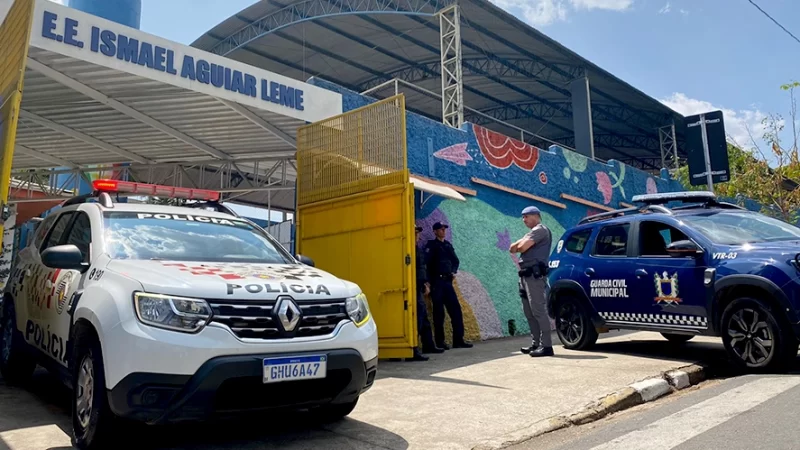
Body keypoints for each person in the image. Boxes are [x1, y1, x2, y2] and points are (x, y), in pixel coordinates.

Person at [509, 206, 554, 357]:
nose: (523, 220)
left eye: (525, 217)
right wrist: (522, 242)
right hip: (524, 276)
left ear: (535, 216)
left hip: (534, 277)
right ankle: (536, 343)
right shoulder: (531, 233)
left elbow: (520, 247)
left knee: (538, 311)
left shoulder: (539, 230)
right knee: (528, 312)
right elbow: (511, 248)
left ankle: (547, 346)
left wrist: (522, 243)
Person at [425, 222, 473, 349]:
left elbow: (455, 260)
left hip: (447, 282)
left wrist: (453, 271)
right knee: (439, 313)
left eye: (444, 229)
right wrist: (428, 282)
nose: (443, 231)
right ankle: (440, 342)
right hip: (437, 282)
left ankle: (458, 340)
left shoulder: (447, 245)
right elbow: (426, 265)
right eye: (440, 229)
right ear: (435, 231)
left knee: (456, 311)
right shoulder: (431, 245)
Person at [409, 226, 444, 361]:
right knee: (417, 318)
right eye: (416, 232)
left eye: (417, 233)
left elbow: (422, 268)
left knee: (423, 317)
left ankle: (428, 344)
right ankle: (412, 349)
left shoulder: (416, 247)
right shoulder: (407, 247)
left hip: (419, 285)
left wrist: (426, 283)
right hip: (412, 286)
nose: (418, 235)